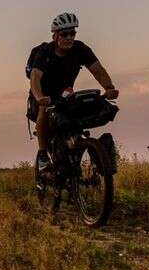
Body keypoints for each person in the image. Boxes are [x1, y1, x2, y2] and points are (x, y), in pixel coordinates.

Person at [26, 12, 119, 170]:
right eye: (64, 34)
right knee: (44, 109)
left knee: (77, 116)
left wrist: (109, 87)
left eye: (72, 33)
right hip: (43, 95)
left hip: (65, 94)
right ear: (55, 35)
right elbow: (35, 77)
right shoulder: (45, 52)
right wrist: (40, 97)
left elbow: (97, 69)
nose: (69, 37)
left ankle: (84, 149)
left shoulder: (80, 49)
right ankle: (42, 154)